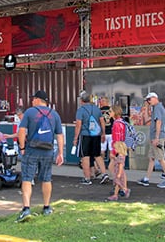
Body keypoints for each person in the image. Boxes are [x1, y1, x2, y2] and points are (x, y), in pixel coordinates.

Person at [16, 90, 64, 222]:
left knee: (27, 178)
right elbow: (59, 135)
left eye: (33, 99)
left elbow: (21, 131)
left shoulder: (30, 112)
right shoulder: (54, 114)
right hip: (48, 151)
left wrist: (22, 148)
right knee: (46, 178)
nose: (32, 101)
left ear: (38, 99)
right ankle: (47, 207)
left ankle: (26, 209)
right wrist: (60, 153)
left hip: (31, 150)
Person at [137, 92, 165, 188]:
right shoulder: (157, 108)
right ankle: (146, 179)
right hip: (156, 136)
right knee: (152, 158)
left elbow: (158, 122)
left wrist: (157, 137)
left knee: (161, 158)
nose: (148, 102)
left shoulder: (157, 108)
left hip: (157, 137)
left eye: (149, 100)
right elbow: (149, 120)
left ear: (154, 98)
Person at [73, 91, 110, 185]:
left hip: (85, 135)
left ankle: (87, 178)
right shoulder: (97, 109)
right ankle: (104, 174)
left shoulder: (81, 110)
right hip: (96, 135)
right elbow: (102, 122)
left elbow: (78, 125)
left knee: (85, 156)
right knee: (97, 155)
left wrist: (75, 138)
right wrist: (103, 133)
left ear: (81, 100)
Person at [100, 97, 113, 168]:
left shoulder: (99, 110)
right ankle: (111, 166)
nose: (101, 102)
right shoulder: (111, 110)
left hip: (104, 133)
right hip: (111, 133)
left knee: (102, 151)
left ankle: (102, 166)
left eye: (102, 101)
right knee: (111, 150)